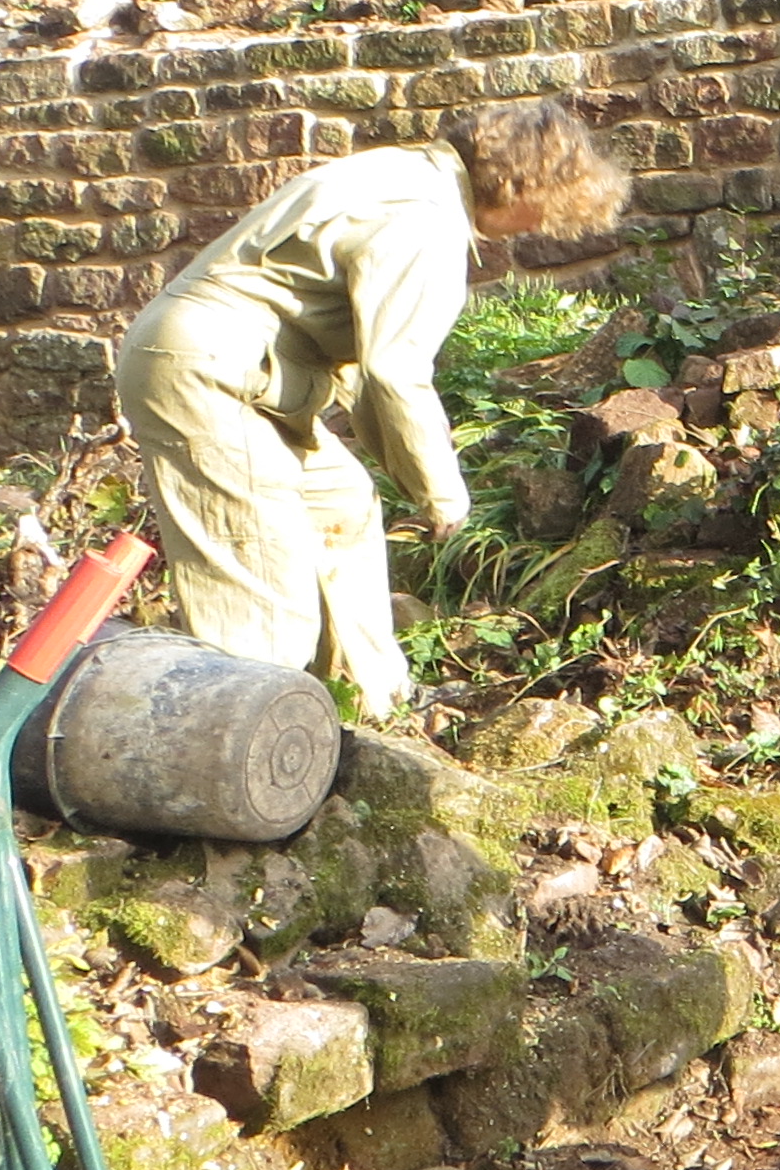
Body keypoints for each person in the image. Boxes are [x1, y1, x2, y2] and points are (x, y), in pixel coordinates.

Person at [115, 98, 628, 721]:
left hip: (237, 369)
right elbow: (394, 370)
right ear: (521, 181)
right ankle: (239, 738)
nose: (539, 227)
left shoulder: (396, 175)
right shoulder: (424, 217)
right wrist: (442, 495)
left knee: (341, 505)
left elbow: (363, 373)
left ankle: (373, 706)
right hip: (212, 375)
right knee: (256, 580)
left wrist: (408, 468)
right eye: (548, 207)